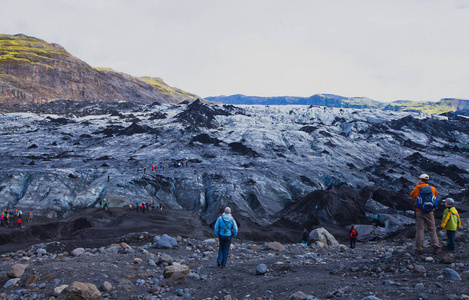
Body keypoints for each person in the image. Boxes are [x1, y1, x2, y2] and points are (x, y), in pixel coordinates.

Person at [410, 174, 441, 254]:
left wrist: (417, 186)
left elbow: (412, 196)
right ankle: (436, 245)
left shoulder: (418, 188)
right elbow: (435, 195)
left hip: (419, 211)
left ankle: (419, 248)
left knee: (420, 229)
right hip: (429, 211)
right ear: (428, 180)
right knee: (432, 229)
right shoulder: (432, 188)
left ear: (421, 180)